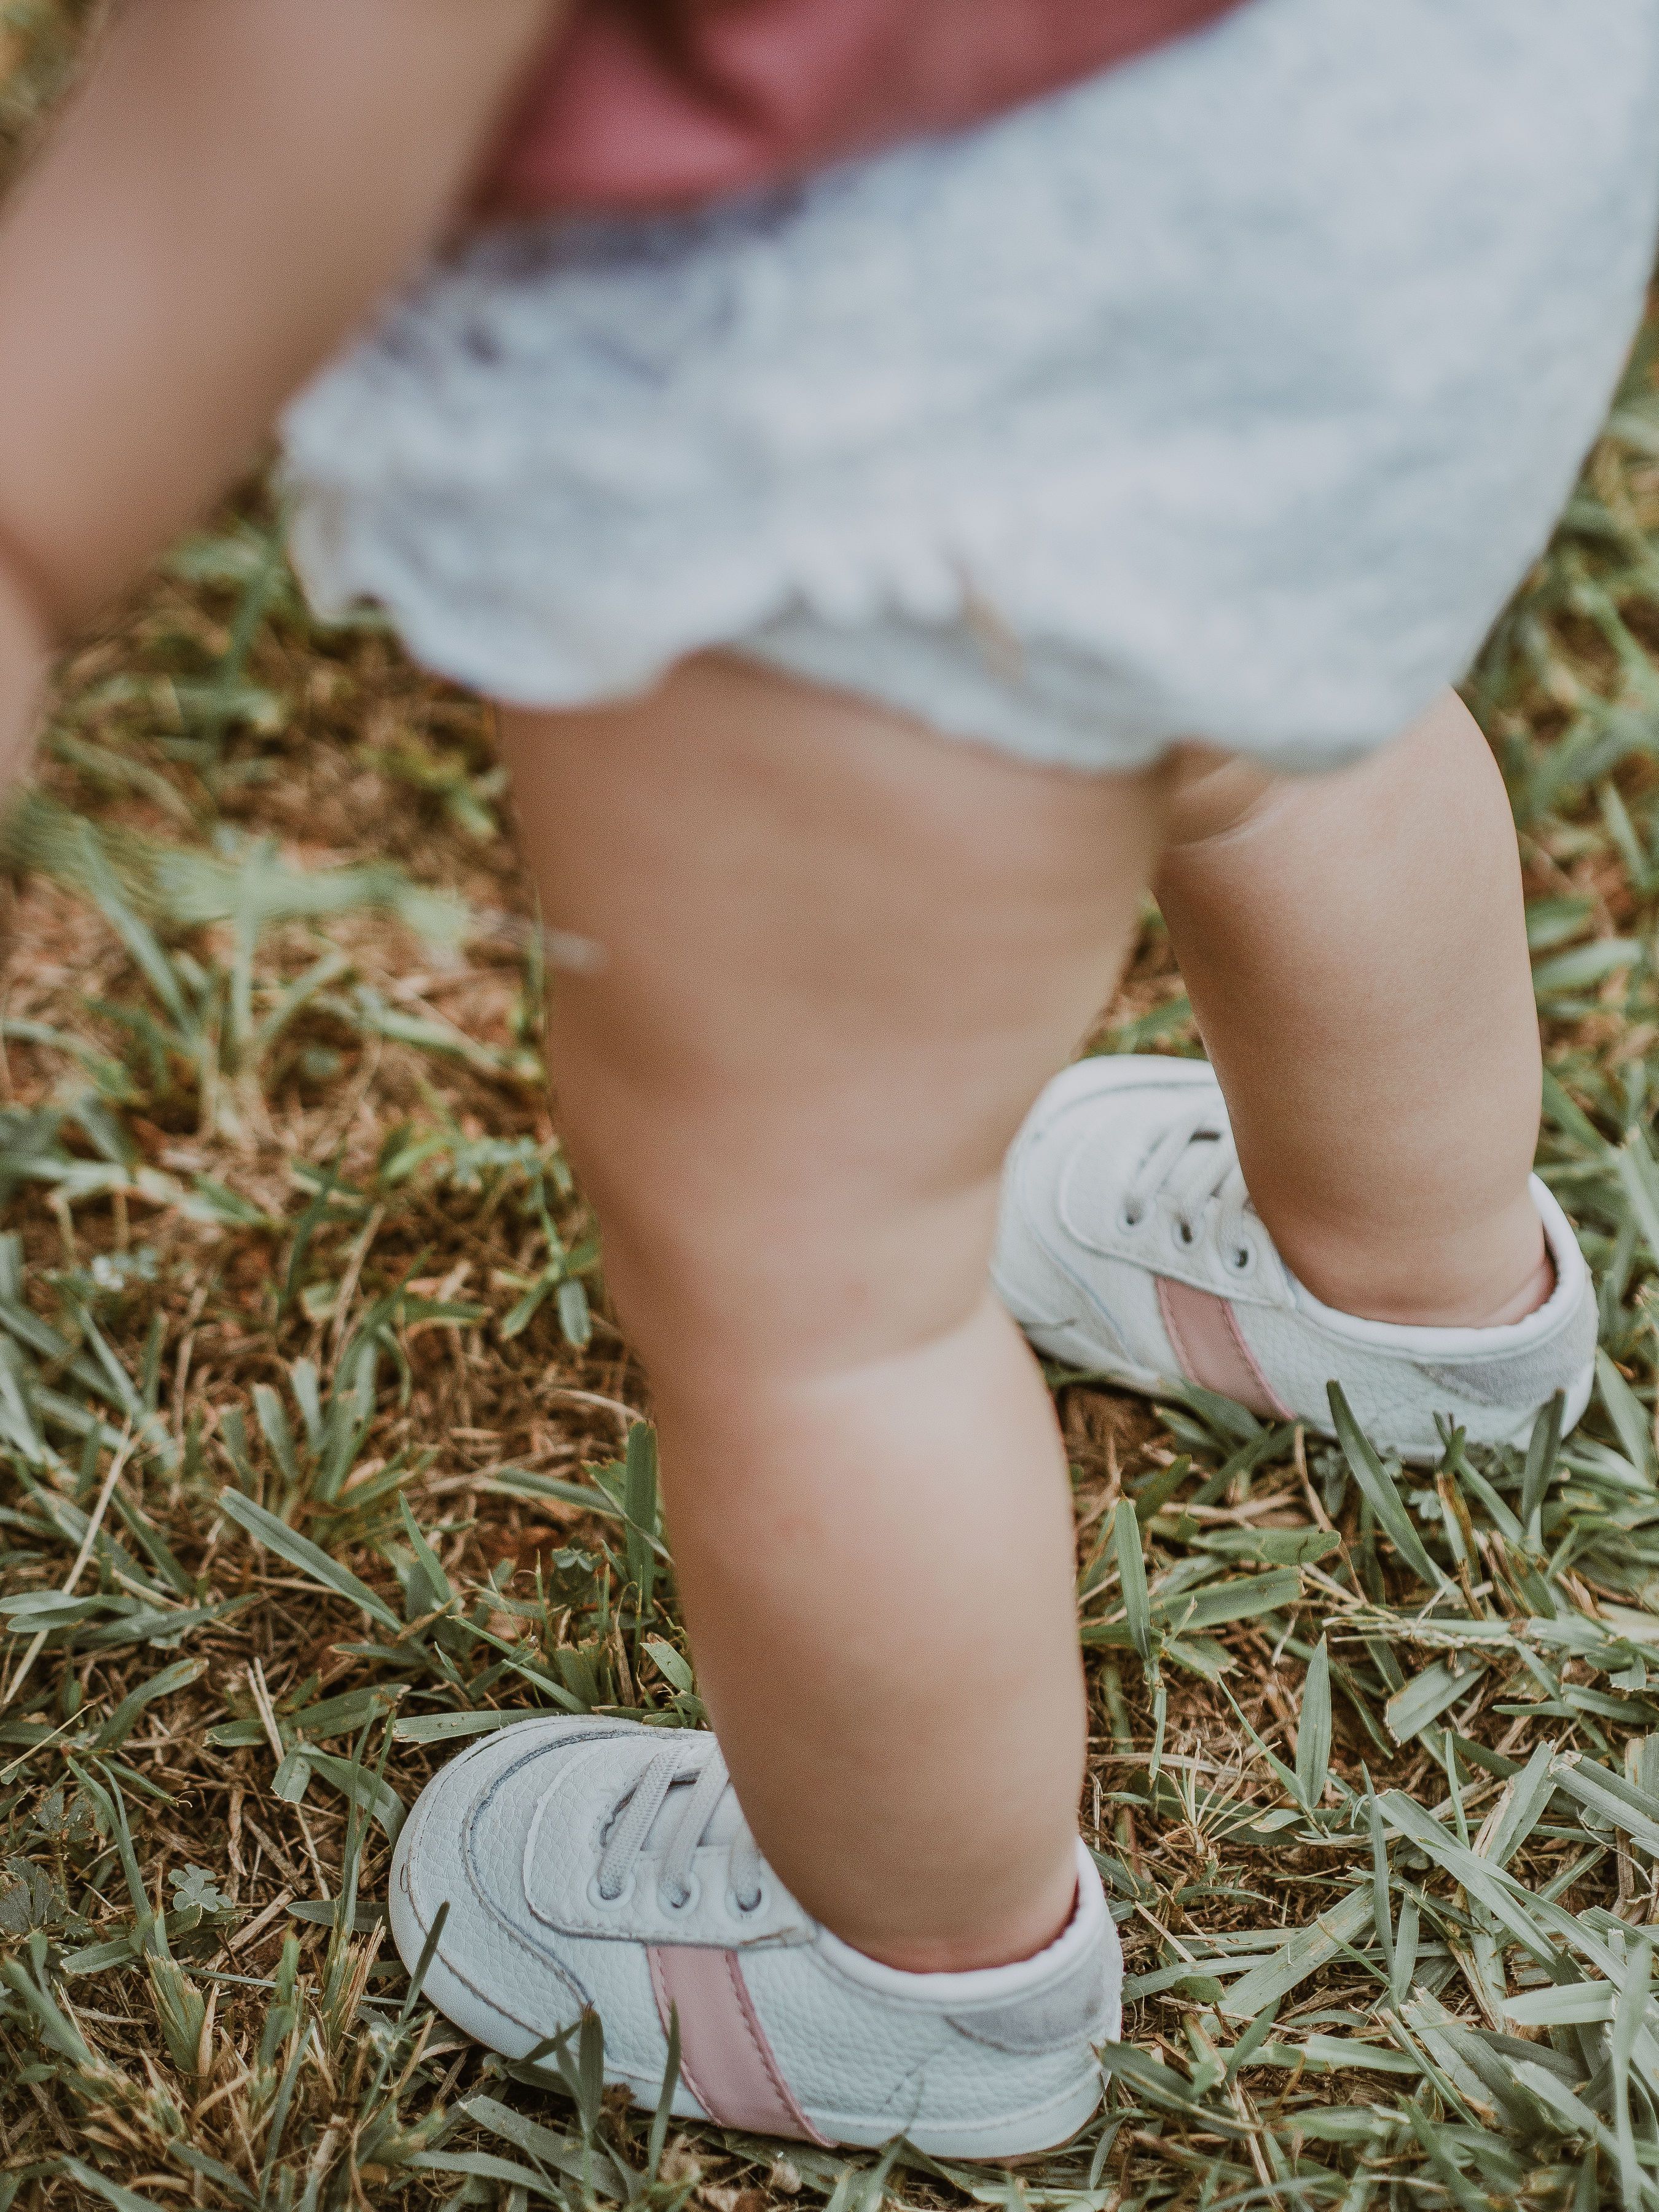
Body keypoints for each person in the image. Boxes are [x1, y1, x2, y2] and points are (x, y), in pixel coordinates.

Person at [0, 0, 1647, 2157]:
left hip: (876, 371)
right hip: (1378, 169)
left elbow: (308, 82)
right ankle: (1410, 1300)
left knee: (817, 1272)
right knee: (1281, 720)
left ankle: (918, 1968)